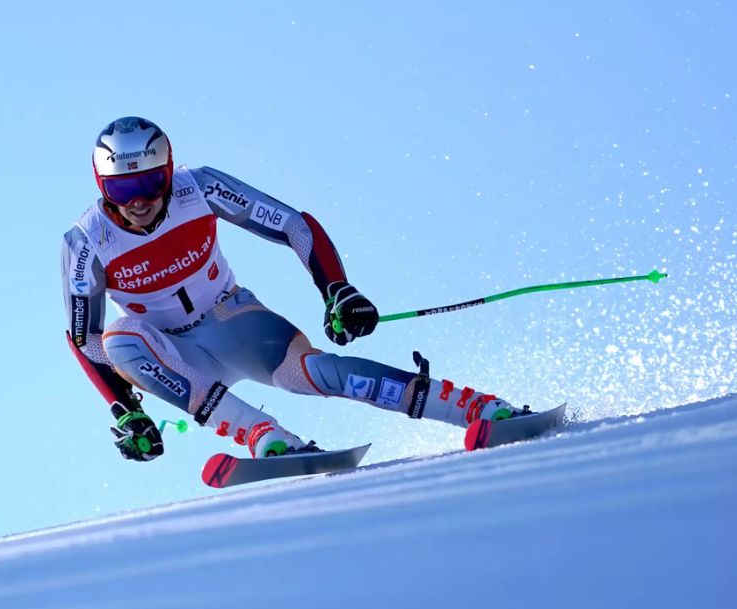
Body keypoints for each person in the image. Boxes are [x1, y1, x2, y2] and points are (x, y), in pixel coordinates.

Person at [62, 116, 538, 462]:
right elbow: (83, 336)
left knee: (319, 374)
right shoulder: (86, 243)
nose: (140, 201)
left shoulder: (199, 188)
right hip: (173, 356)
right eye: (123, 190)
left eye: (150, 182)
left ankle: (480, 408)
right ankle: (266, 437)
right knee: (118, 337)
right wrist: (125, 409)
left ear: (169, 172)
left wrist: (337, 291)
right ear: (102, 186)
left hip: (232, 321)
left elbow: (293, 225)